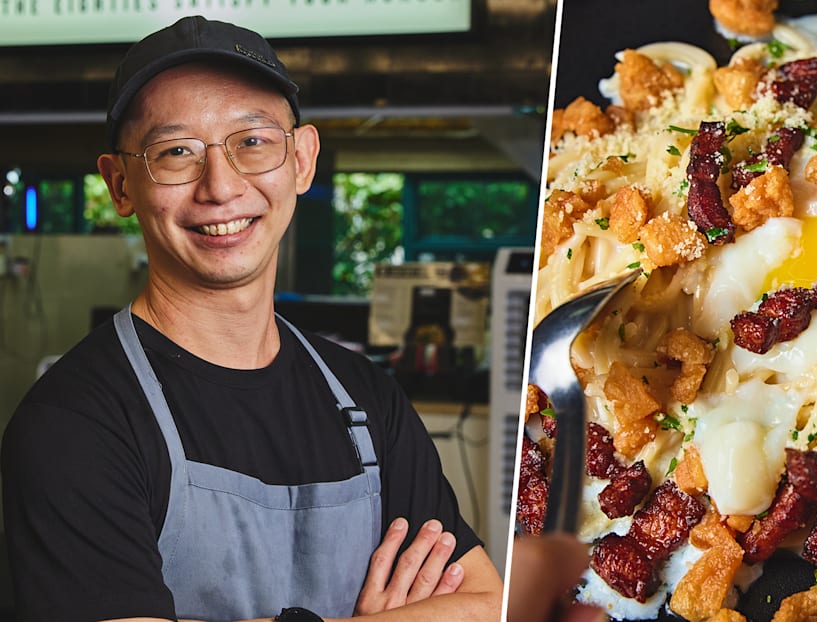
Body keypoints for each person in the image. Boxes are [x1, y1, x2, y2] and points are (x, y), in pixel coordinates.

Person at [0, 15, 503, 622]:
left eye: (253, 142)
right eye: (176, 151)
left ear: (303, 160)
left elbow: (486, 604)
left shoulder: (368, 399)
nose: (220, 187)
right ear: (120, 183)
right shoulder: (74, 424)